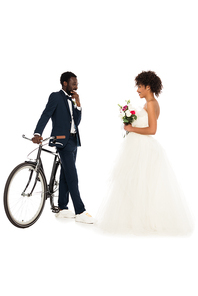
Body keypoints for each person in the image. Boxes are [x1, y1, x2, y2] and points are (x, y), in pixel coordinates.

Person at [96, 71, 194, 236]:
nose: (137, 90)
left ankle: (142, 221)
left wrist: (131, 127)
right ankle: (138, 218)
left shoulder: (150, 103)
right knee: (138, 184)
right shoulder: (152, 103)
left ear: (148, 87)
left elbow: (152, 130)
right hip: (140, 147)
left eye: (140, 87)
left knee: (139, 183)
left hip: (143, 149)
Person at [32, 71, 94, 224]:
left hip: (74, 141)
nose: (76, 87)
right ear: (65, 83)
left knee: (66, 175)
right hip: (62, 142)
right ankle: (80, 211)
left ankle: (62, 208)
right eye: (74, 84)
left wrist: (78, 104)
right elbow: (45, 115)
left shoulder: (72, 99)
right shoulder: (56, 96)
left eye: (77, 84)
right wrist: (37, 133)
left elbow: (76, 122)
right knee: (73, 176)